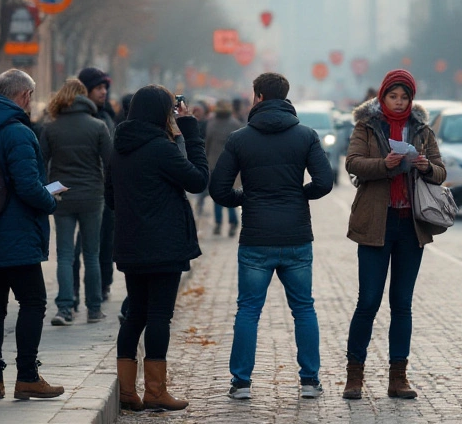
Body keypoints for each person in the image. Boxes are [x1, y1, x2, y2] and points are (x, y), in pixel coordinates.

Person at [210, 73, 334, 401]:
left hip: (255, 237)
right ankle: (309, 380)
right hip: (295, 235)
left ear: (259, 96)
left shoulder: (240, 139)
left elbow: (218, 189)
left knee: (248, 310)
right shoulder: (305, 136)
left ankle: (241, 383)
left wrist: (246, 197)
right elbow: (324, 181)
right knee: (304, 308)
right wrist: (298, 194)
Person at [342, 70, 446, 401]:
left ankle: (398, 377)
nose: (399, 102)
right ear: (383, 97)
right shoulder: (367, 126)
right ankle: (354, 376)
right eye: (393, 96)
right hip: (376, 222)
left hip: (409, 225)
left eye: (404, 97)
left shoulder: (422, 130)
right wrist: (385, 164)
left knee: (402, 303)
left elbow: (441, 172)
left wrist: (426, 167)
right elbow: (353, 163)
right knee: (368, 301)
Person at [107, 85, 208, 412]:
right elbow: (197, 180)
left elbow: (110, 199)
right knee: (160, 316)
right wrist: (191, 133)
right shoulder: (160, 149)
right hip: (164, 246)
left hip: (131, 244)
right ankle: (155, 391)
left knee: (135, 314)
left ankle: (126, 391)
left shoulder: (118, 147)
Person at [0, 69, 63, 400]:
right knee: (33, 301)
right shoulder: (17, 131)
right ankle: (27, 376)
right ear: (23, 96)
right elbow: (27, 184)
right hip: (16, 231)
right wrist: (50, 199)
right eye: (31, 97)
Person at [41, 78, 112, 326]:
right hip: (92, 195)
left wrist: (49, 190)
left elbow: (40, 164)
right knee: (92, 254)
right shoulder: (99, 126)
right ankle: (94, 308)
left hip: (62, 197)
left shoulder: (51, 128)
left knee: (64, 255)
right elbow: (109, 163)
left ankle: (65, 308)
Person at [77, 67, 118, 303]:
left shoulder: (106, 116)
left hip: (106, 190)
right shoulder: (81, 118)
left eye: (105, 88)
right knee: (77, 249)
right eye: (98, 88)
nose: (103, 92)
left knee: (106, 241)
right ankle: (73, 294)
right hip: (83, 191)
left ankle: (104, 284)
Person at [203, 100, 243, 235]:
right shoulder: (235, 124)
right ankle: (233, 223)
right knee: (231, 194)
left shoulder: (212, 124)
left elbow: (207, 145)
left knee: (217, 195)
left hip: (215, 164)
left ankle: (218, 223)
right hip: (233, 165)